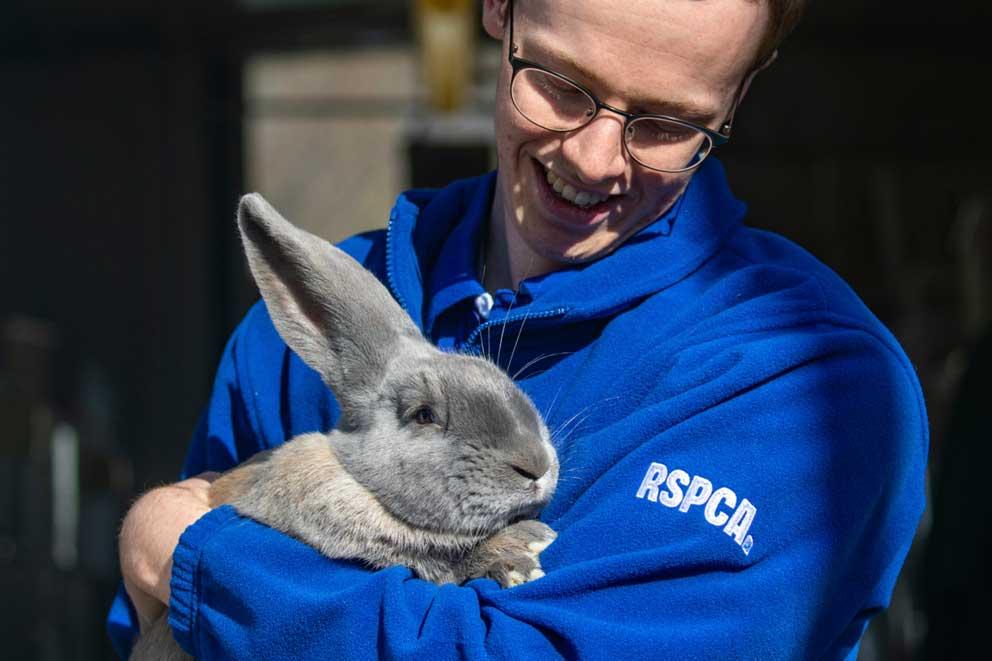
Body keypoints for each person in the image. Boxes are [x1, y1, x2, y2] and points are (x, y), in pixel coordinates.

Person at [109, 0, 928, 658]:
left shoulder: (806, 382)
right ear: (497, 10)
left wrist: (193, 552)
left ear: (738, 96)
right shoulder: (288, 342)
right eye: (562, 83)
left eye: (668, 124)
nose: (598, 158)